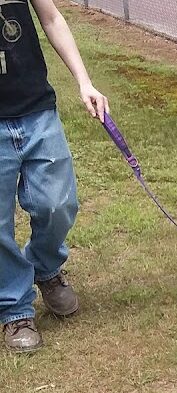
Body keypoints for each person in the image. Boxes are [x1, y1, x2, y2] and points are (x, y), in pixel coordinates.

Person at [0, 0, 108, 353]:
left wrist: (84, 82)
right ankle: (15, 308)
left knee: (59, 203)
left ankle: (44, 268)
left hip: (36, 109)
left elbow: (51, 17)